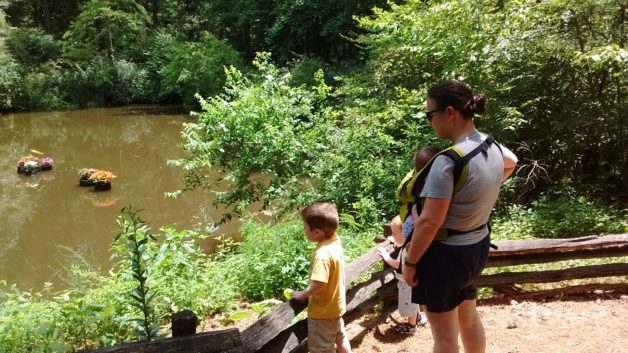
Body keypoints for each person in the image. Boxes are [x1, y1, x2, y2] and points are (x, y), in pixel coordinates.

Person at [402, 80, 518, 353]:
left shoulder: (447, 162)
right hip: (476, 248)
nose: (430, 122)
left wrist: (410, 263)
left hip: (445, 258)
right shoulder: (489, 144)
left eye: (430, 115)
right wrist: (482, 191)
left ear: (450, 112)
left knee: (444, 337)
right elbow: (512, 162)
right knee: (469, 318)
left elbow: (430, 222)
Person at [378, 146, 441, 334]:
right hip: (428, 254)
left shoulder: (408, 247)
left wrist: (384, 254)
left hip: (408, 277)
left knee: (411, 301)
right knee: (418, 297)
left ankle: (412, 325)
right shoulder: (437, 184)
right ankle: (419, 318)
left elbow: (400, 266)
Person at [291, 202, 352, 353]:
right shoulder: (334, 241)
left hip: (322, 312)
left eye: (305, 227)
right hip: (335, 307)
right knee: (340, 337)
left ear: (317, 232)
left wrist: (302, 295)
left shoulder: (322, 255)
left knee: (322, 349)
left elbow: (319, 283)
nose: (304, 230)